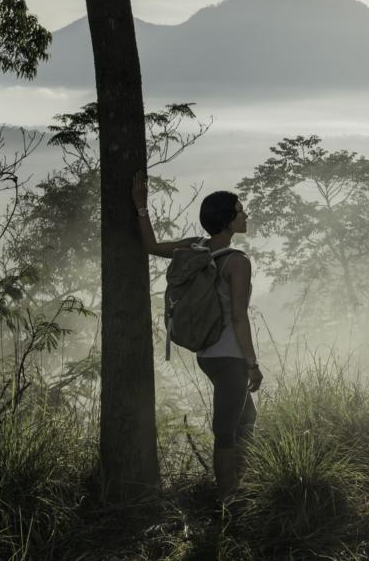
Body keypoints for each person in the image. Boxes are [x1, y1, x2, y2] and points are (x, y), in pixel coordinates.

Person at [132, 171, 263, 501]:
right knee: (226, 430)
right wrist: (251, 363)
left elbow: (151, 246)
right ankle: (227, 497)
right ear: (229, 221)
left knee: (247, 417)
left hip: (206, 352)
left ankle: (240, 486)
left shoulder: (197, 247)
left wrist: (141, 207)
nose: (245, 215)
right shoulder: (237, 262)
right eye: (240, 211)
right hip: (230, 356)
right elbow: (237, 316)